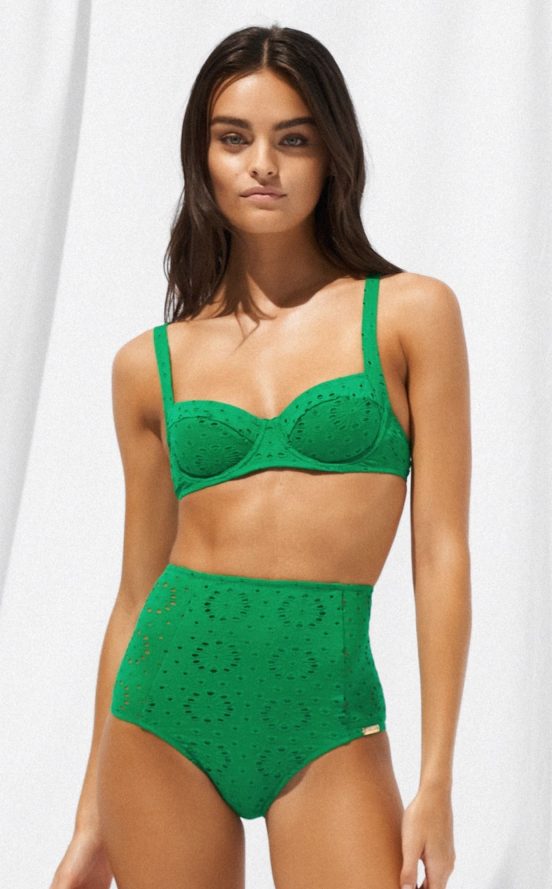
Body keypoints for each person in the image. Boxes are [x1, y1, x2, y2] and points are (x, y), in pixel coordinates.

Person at [50, 23, 471, 889]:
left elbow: (441, 552)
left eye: (294, 139)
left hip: (329, 716)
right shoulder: (150, 365)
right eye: (234, 138)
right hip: (161, 714)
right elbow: (135, 592)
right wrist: (91, 815)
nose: (263, 165)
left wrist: (436, 778)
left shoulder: (409, 315)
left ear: (332, 155)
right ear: (202, 158)